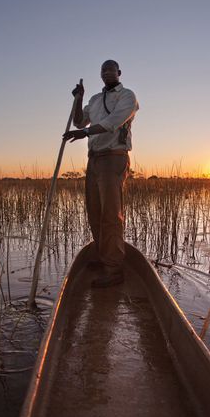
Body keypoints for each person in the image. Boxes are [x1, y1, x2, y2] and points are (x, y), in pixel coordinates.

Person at [63, 59, 139, 288]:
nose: (107, 73)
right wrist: (78, 98)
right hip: (94, 159)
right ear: (100, 74)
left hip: (113, 157)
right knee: (94, 211)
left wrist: (84, 132)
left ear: (119, 72)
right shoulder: (95, 100)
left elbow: (112, 123)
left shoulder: (127, 96)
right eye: (103, 70)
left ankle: (114, 268)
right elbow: (79, 120)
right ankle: (102, 257)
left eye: (111, 69)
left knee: (110, 213)